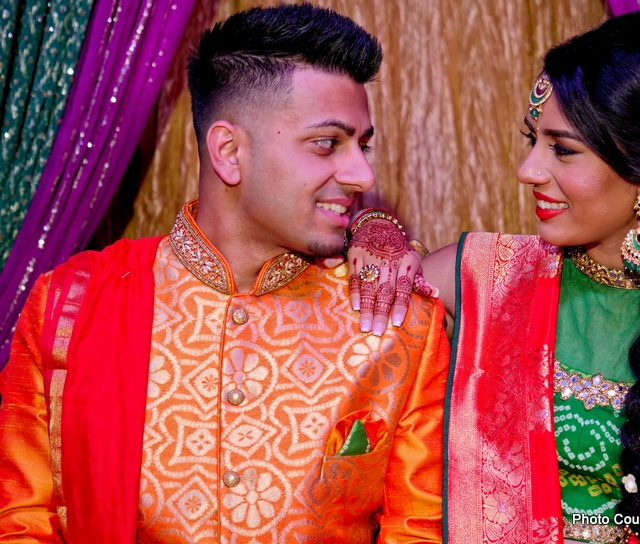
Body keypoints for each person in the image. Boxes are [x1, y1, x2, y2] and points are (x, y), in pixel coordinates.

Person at [348, 10, 640, 544]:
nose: (528, 170)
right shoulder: (485, 277)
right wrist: (372, 229)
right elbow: (331, 301)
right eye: (533, 140)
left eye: (562, 149)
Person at [0, 4, 449, 542]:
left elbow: (418, 529)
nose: (362, 174)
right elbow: (23, 520)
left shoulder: (395, 321)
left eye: (363, 144)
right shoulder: (69, 308)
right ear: (229, 152)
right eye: (328, 143)